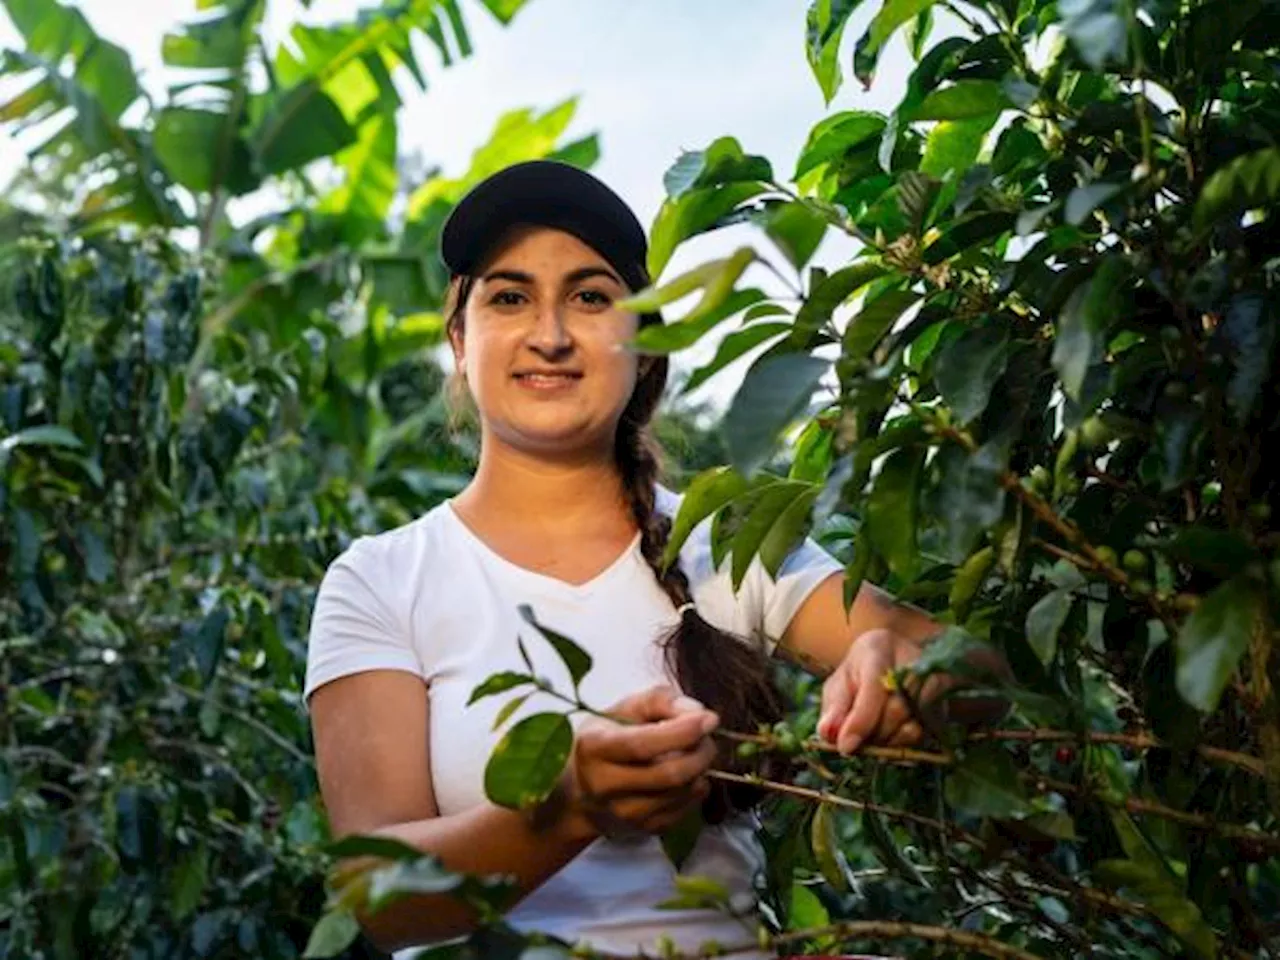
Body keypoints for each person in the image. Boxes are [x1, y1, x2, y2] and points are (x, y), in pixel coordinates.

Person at [304, 161, 1004, 960]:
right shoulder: (382, 580)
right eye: (508, 297)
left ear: (643, 345)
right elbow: (377, 893)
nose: (552, 334)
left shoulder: (722, 542)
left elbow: (979, 673)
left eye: (592, 297)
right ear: (460, 342)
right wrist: (569, 807)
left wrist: (912, 674)